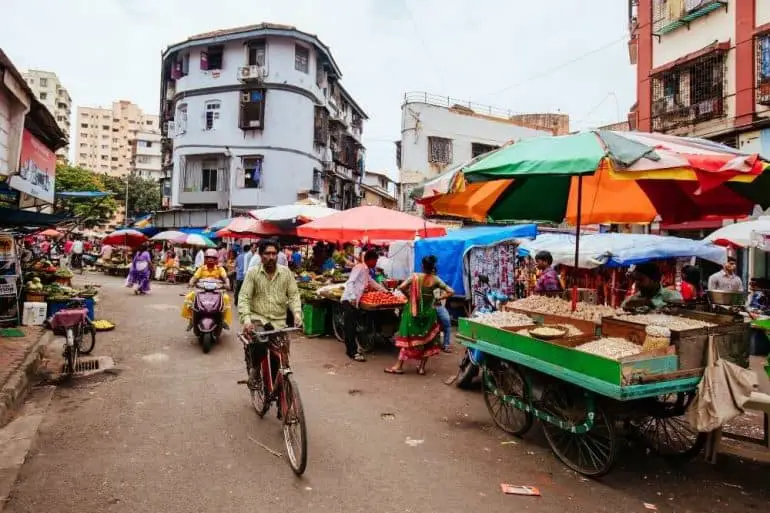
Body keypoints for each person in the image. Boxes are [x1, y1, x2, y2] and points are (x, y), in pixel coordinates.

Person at [385, 255, 454, 375]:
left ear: (422, 266)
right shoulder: (436, 279)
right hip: (429, 315)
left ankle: (399, 366)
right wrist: (438, 298)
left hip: (413, 313)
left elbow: (401, 287)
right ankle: (421, 368)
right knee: (428, 341)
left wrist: (410, 297)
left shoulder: (415, 277)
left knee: (408, 340)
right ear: (433, 267)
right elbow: (451, 291)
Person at [238, 239, 302, 331]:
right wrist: (247, 320)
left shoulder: (286, 273)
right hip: (258, 320)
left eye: (274, 253)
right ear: (260, 255)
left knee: (282, 345)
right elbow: (244, 297)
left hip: (279, 323)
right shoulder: (253, 273)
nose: (271, 257)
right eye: (267, 254)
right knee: (259, 341)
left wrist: (297, 314)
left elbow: (294, 296)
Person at [341, 250, 387, 362]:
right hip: (349, 300)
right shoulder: (359, 267)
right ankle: (352, 352)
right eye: (376, 261)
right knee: (350, 327)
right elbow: (350, 282)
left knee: (352, 326)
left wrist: (384, 291)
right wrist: (352, 296)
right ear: (370, 259)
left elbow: (371, 282)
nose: (376, 263)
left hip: (354, 301)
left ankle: (353, 349)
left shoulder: (366, 270)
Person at [183, 248, 232, 329]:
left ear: (216, 259)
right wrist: (191, 282)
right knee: (189, 297)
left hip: (217, 291)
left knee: (226, 298)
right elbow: (194, 277)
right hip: (201, 290)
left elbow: (225, 278)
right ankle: (191, 319)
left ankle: (223, 320)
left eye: (213, 258)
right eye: (208, 257)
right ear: (205, 259)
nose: (211, 260)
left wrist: (227, 283)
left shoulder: (220, 269)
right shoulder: (201, 268)